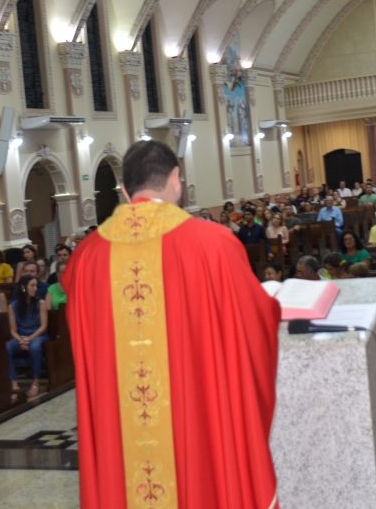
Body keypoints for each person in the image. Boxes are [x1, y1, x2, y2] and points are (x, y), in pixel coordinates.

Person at [62, 140, 280, 508]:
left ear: (125, 190)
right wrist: (272, 306)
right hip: (196, 417)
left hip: (120, 429)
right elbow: (253, 326)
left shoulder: (86, 258)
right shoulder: (213, 244)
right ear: (176, 178)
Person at [7, 275, 48, 400]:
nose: (35, 288)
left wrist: (29, 339)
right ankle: (14, 384)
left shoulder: (41, 303)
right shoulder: (13, 306)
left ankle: (35, 383)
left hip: (38, 335)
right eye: (32, 285)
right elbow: (13, 330)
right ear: (23, 287)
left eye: (36, 286)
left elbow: (43, 326)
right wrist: (21, 340)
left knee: (35, 347)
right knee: (7, 347)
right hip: (21, 336)